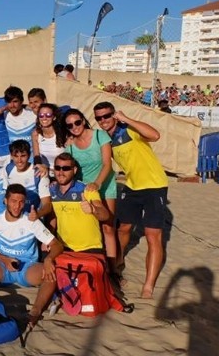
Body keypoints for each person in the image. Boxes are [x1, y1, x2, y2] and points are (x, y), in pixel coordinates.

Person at [93, 101, 169, 299]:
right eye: (99, 118)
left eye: (106, 116)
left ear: (114, 114)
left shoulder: (129, 129)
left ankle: (148, 286)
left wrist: (126, 118)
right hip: (131, 186)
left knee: (153, 236)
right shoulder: (104, 139)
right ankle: (117, 264)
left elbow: (155, 135)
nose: (103, 121)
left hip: (154, 185)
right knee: (124, 228)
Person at [0, 184, 63, 329]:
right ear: (5, 201)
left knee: (51, 272)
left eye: (21, 202)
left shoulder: (31, 222)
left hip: (27, 267)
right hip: (3, 266)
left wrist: (49, 259)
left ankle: (35, 311)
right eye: (13, 201)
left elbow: (57, 245)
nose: (17, 206)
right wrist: (3, 259)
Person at [61, 108, 118, 274]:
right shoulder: (70, 146)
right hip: (84, 190)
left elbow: (107, 164)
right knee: (91, 227)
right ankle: (96, 264)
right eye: (70, 125)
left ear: (83, 120)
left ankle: (113, 270)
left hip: (104, 185)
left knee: (108, 227)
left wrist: (97, 184)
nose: (75, 127)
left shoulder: (100, 136)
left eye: (77, 122)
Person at [48, 153, 110, 253]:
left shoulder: (88, 190)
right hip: (63, 247)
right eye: (57, 168)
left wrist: (93, 209)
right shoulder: (51, 191)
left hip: (90, 248)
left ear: (74, 170)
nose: (61, 172)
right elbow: (53, 218)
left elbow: (105, 215)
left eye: (66, 168)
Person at [5, 140, 52, 220]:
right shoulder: (9, 169)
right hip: (15, 217)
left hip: (33, 218)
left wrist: (37, 214)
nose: (19, 160)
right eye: (16, 156)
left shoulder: (39, 173)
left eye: (23, 156)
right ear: (11, 156)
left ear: (29, 155)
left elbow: (48, 205)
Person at [31, 103, 66, 175]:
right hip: (45, 172)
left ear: (54, 117)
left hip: (62, 172)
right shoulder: (36, 134)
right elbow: (36, 156)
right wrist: (40, 166)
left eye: (48, 115)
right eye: (41, 115)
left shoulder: (63, 133)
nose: (44, 118)